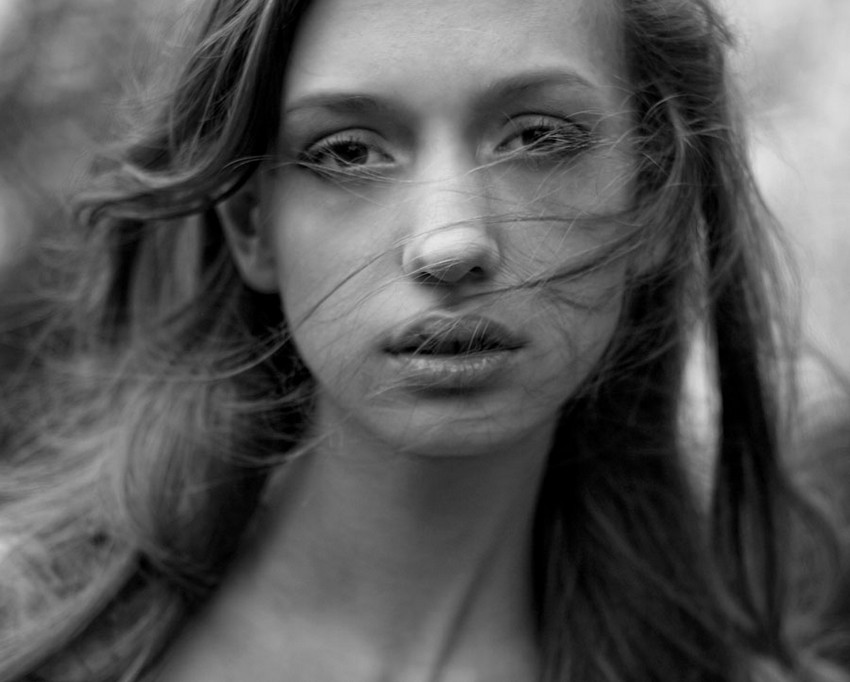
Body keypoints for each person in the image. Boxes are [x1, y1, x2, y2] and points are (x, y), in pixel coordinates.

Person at [0, 0, 842, 680]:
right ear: (253, 225)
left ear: (653, 200)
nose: (450, 243)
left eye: (538, 137)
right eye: (348, 151)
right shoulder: (27, 636)